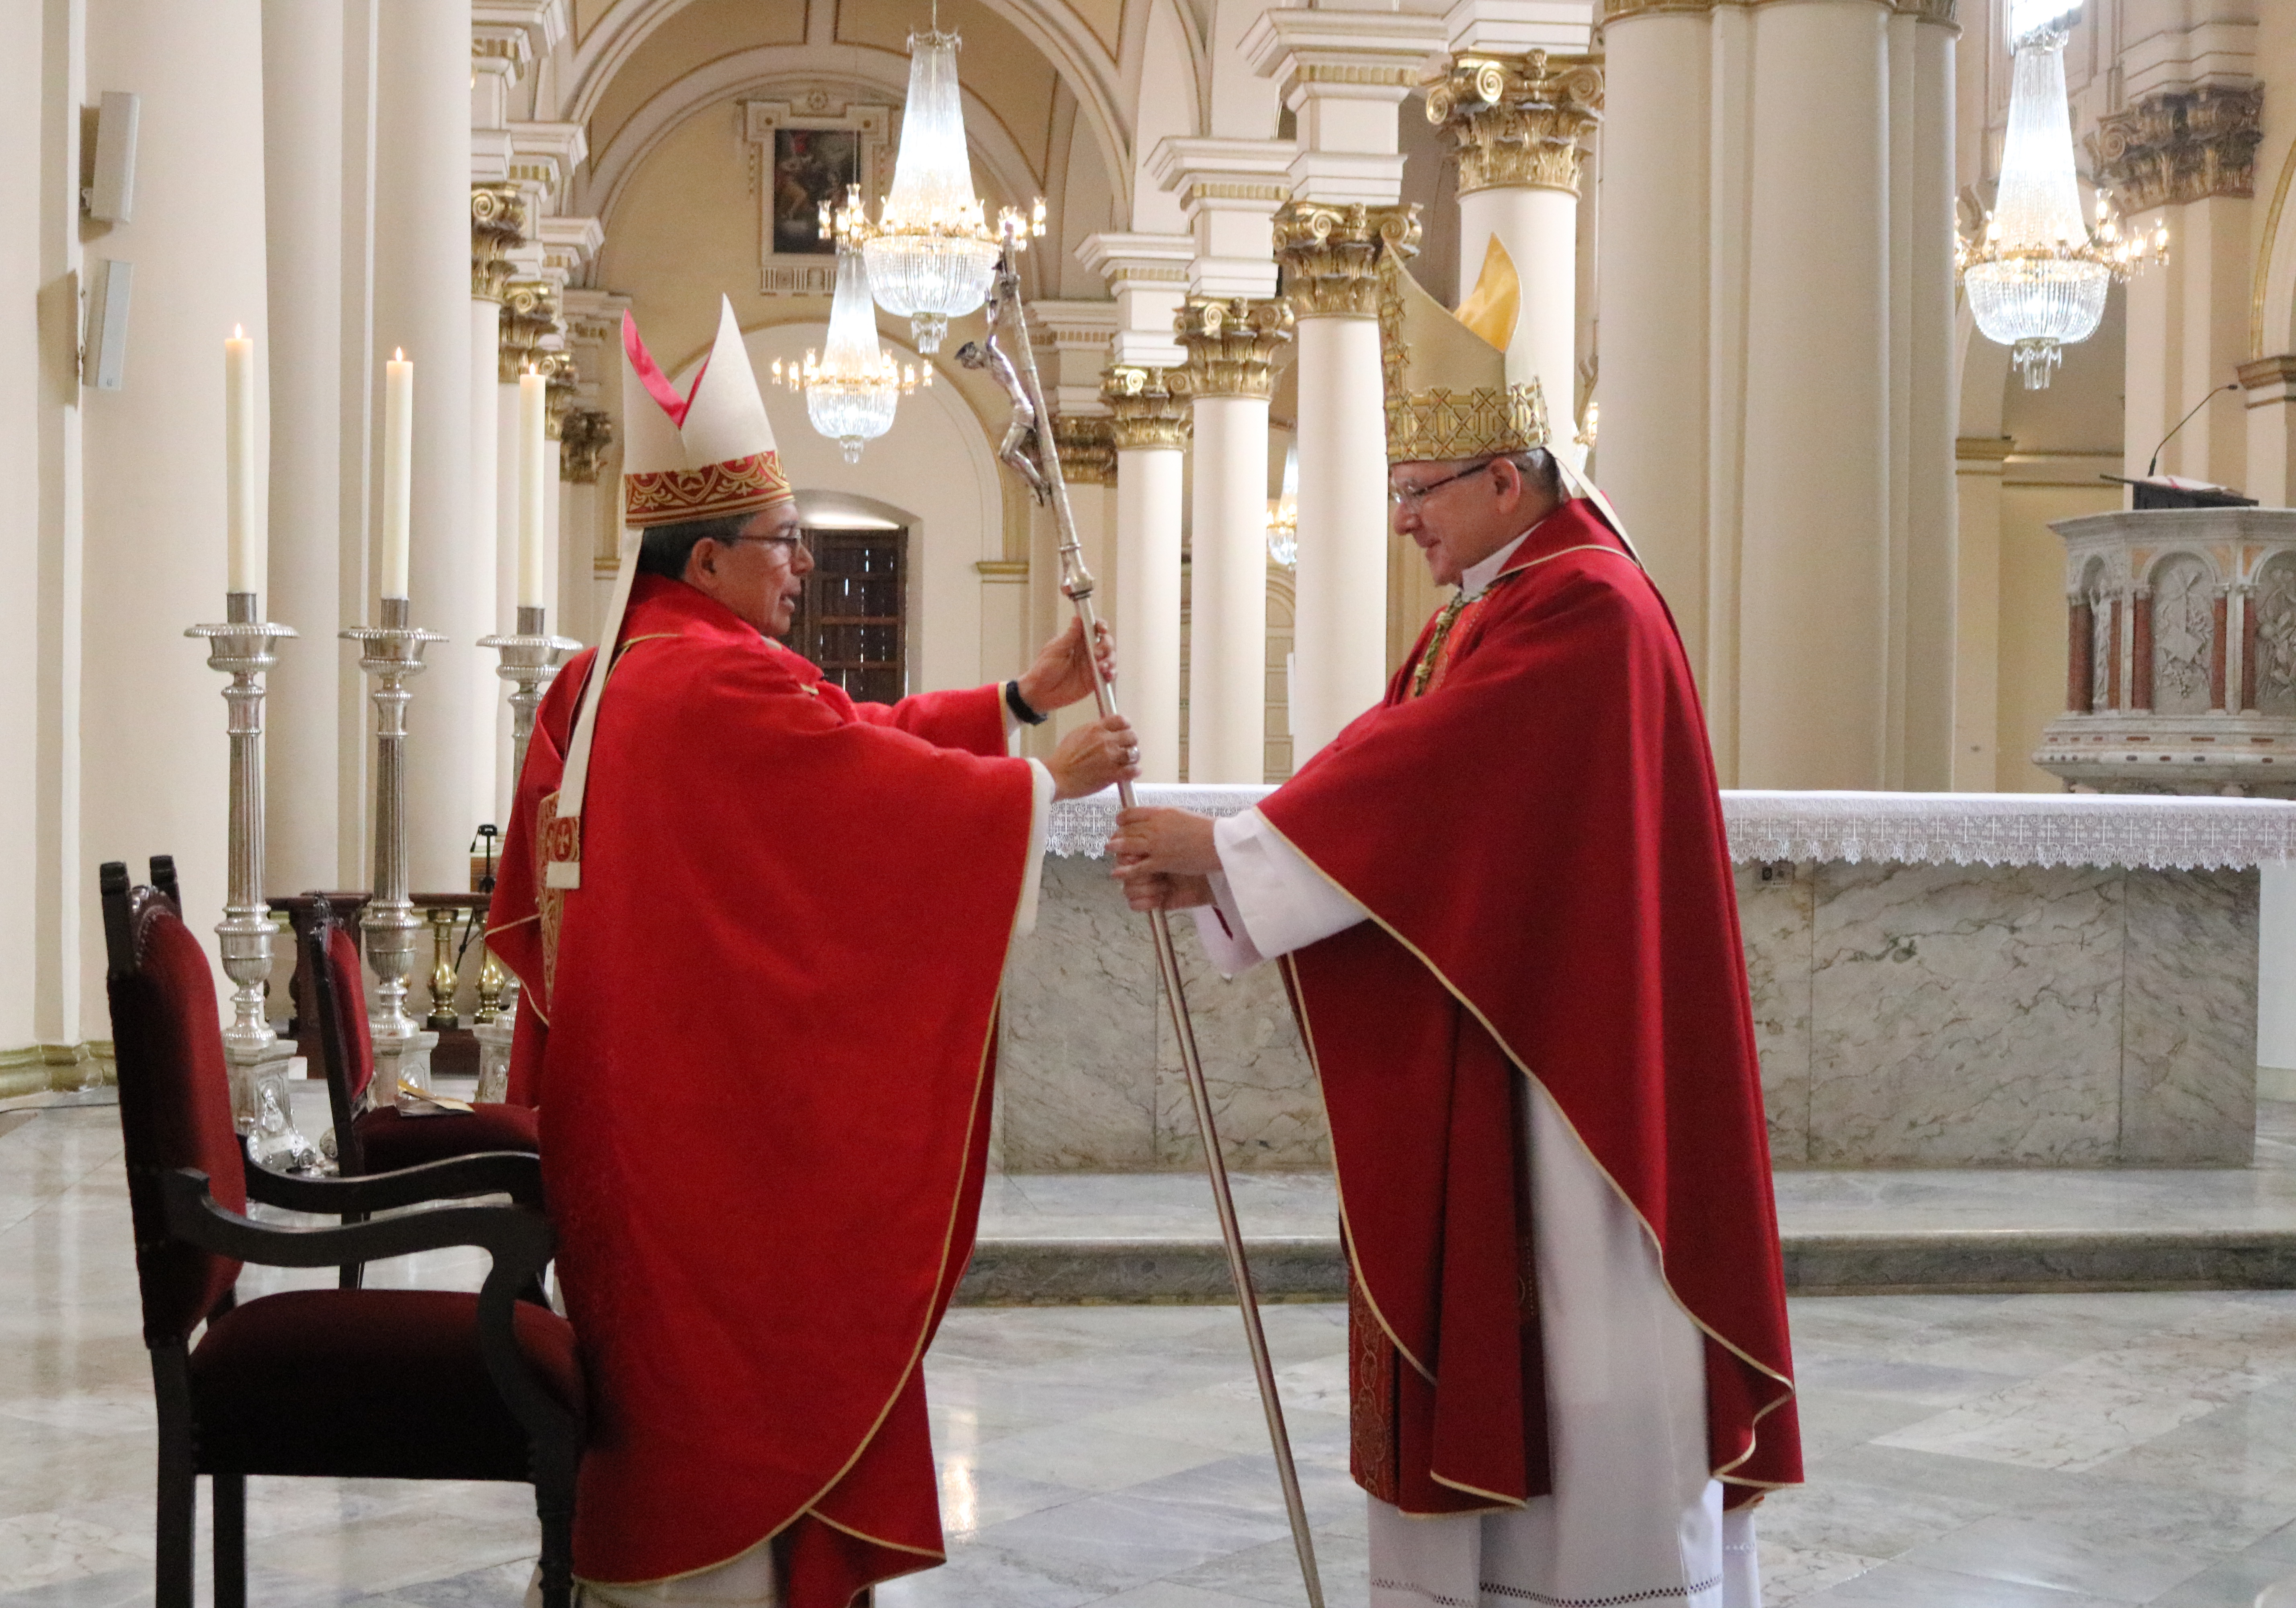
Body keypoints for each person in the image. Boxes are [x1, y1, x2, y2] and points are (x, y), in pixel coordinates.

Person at [1109, 247, 1801, 1608]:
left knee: (1583, 1344)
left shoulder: (1584, 606)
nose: (1404, 524)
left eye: (1419, 494)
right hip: (1513, 1034)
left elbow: (1436, 784)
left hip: (1572, 1069)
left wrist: (1234, 854)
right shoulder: (1493, 610)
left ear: (1507, 479)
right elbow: (1403, 769)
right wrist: (1226, 867)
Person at [484, 302, 1138, 1608]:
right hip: (709, 1129)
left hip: (638, 1096)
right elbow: (858, 791)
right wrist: (1039, 787)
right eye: (785, 543)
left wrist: (1014, 706)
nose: (804, 564)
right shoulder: (720, 683)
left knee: (667, 1380)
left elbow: (848, 741)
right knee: (729, 1384)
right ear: (715, 555)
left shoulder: (624, 667)